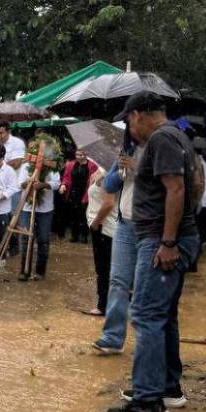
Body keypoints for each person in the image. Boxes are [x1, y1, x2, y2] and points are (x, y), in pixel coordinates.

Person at [107, 92, 201, 412]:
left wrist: (169, 241)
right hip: (171, 236)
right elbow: (193, 186)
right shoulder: (178, 137)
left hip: (162, 240)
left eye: (128, 121)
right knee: (164, 315)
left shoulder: (162, 139)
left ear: (138, 114)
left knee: (146, 313)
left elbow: (177, 189)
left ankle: (147, 401)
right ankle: (166, 386)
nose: (129, 129)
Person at [91, 137, 141, 355]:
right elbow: (110, 185)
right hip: (125, 223)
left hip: (151, 224)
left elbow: (167, 182)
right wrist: (121, 169)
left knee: (143, 283)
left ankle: (146, 339)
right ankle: (112, 337)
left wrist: (138, 167)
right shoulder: (127, 149)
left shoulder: (162, 146)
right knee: (117, 280)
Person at [16, 155, 61, 281]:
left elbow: (57, 184)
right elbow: (20, 184)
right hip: (27, 208)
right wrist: (29, 182)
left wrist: (43, 185)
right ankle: (24, 270)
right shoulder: (26, 165)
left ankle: (40, 271)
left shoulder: (52, 166)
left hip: (45, 209)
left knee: (43, 240)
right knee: (26, 238)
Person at [85, 166, 118, 316]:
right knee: (105, 267)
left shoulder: (109, 173)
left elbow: (109, 203)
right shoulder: (103, 170)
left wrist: (96, 223)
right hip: (103, 226)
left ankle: (103, 306)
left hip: (104, 227)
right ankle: (108, 304)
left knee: (104, 268)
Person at [60, 149, 98, 243]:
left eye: (81, 155)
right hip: (73, 192)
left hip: (85, 191)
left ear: (86, 155)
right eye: (77, 155)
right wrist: (63, 185)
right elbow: (66, 177)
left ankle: (84, 235)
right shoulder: (70, 164)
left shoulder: (92, 165)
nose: (79, 157)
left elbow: (94, 179)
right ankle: (74, 235)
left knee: (84, 215)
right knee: (73, 214)